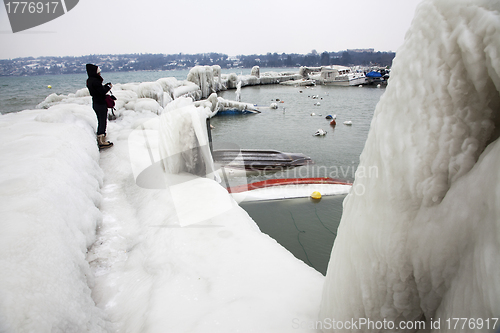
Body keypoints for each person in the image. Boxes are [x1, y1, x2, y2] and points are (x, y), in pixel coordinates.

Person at [86, 64, 113, 148]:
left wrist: (104, 86)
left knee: (100, 120)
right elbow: (101, 92)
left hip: (95, 103)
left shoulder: (89, 80)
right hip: (100, 103)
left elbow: (98, 90)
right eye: (99, 72)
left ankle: (100, 137)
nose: (100, 73)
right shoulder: (96, 81)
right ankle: (101, 141)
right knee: (102, 121)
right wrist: (108, 87)